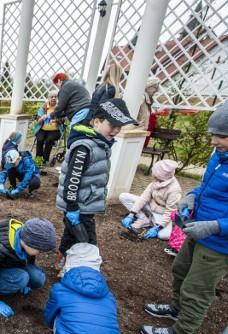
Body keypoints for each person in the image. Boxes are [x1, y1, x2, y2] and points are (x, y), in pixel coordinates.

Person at [141, 95, 228, 334]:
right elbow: (209, 187)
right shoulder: (223, 155)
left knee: (198, 288)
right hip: (198, 229)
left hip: (220, 241)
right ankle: (177, 308)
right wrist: (192, 197)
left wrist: (216, 226)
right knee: (181, 270)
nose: (215, 140)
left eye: (223, 135)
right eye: (214, 133)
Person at [55, 99, 138, 269]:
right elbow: (73, 178)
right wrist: (72, 208)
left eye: (119, 126)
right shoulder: (84, 147)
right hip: (78, 206)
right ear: (97, 121)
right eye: (112, 124)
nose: (116, 130)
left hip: (85, 204)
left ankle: (62, 262)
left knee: (71, 235)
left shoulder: (99, 143)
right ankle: (79, 269)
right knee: (88, 241)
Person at [0, 218, 57, 318]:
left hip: (8, 265)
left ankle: (18, 280)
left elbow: (29, 259)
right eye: (40, 251)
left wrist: (28, 282)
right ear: (30, 243)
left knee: (38, 278)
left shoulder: (25, 239)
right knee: (21, 278)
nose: (41, 253)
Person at [119, 159, 181, 240]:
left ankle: (153, 222)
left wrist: (158, 227)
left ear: (162, 175)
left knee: (164, 236)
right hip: (150, 205)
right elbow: (143, 198)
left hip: (161, 213)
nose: (153, 175)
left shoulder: (174, 190)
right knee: (123, 196)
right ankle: (143, 218)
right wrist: (131, 215)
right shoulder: (156, 181)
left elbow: (170, 212)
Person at [33, 91, 62, 165]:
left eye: (55, 97)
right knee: (40, 139)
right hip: (42, 129)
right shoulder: (44, 107)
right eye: (52, 97)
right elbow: (38, 121)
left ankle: (44, 160)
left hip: (55, 130)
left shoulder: (60, 107)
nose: (53, 98)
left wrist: (58, 118)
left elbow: (63, 121)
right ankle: (38, 159)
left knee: (49, 140)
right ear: (48, 98)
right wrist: (43, 117)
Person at [137, 77, 161, 149]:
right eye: (155, 87)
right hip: (137, 132)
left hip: (140, 132)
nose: (157, 90)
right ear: (148, 86)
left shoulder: (147, 99)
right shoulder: (142, 98)